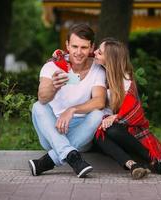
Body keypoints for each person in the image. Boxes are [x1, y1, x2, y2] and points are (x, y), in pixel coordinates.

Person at [93, 38, 161, 179]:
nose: (94, 53)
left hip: (129, 130)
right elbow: (77, 55)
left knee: (112, 130)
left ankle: (152, 159)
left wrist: (116, 117)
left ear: (110, 59)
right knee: (99, 136)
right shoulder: (97, 71)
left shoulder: (125, 80)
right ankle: (134, 165)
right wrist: (58, 56)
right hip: (106, 127)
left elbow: (134, 112)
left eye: (99, 52)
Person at [28, 24, 106, 178]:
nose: (78, 52)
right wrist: (54, 86)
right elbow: (42, 97)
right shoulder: (52, 66)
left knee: (97, 114)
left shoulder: (97, 69)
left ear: (92, 47)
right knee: (38, 106)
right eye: (75, 46)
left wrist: (72, 110)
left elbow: (99, 101)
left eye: (84, 47)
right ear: (67, 46)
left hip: (82, 133)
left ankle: (50, 160)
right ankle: (70, 156)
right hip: (53, 130)